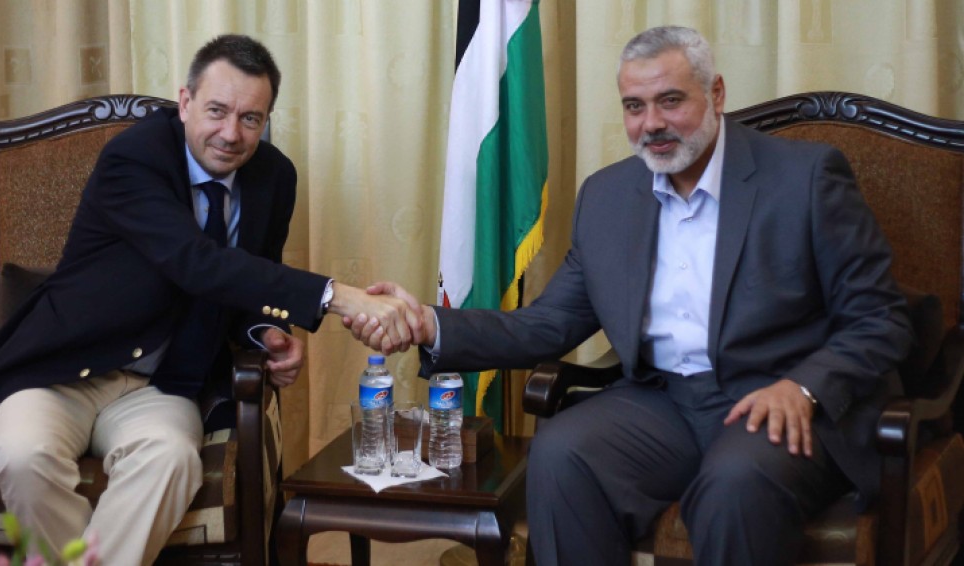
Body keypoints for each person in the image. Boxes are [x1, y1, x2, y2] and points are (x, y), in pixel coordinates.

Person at [347, 26, 912, 566]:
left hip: (775, 401)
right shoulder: (609, 196)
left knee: (735, 486)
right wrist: (428, 323)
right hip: (666, 402)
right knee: (563, 453)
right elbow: (548, 324)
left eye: (670, 100)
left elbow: (880, 318)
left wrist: (804, 387)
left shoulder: (805, 178)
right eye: (634, 106)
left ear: (716, 94)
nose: (652, 124)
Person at [0, 34, 419, 565]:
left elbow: (252, 281)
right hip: (61, 368)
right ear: (184, 103)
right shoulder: (133, 156)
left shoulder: (274, 177)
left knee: (173, 460)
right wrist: (336, 296)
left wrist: (267, 335)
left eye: (251, 118)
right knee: (23, 456)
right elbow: (194, 262)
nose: (231, 134)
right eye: (217, 111)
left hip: (163, 384)